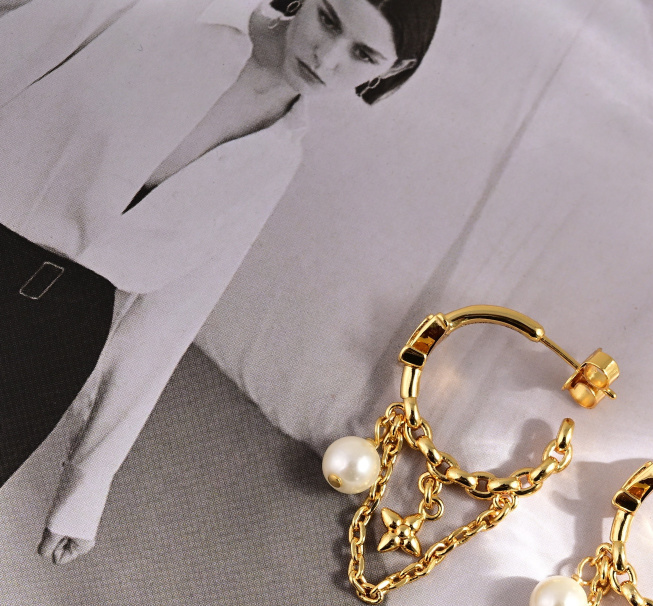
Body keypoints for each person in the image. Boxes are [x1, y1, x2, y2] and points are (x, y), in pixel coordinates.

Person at [0, 0, 441, 563]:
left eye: (363, 54)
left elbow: (169, 318)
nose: (327, 58)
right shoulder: (166, 14)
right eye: (329, 20)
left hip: (54, 344)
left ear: (392, 70)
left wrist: (88, 480)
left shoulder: (276, 159)